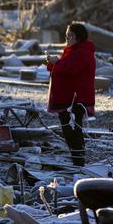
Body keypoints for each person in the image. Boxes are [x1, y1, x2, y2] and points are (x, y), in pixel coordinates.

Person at [46, 22, 96, 166]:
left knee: (73, 129)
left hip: (76, 99)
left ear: (78, 37)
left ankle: (78, 160)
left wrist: (57, 62)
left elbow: (70, 69)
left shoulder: (83, 53)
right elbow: (63, 67)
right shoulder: (72, 51)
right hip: (67, 98)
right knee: (68, 129)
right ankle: (76, 158)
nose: (67, 38)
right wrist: (53, 62)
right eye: (66, 35)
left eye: (70, 35)